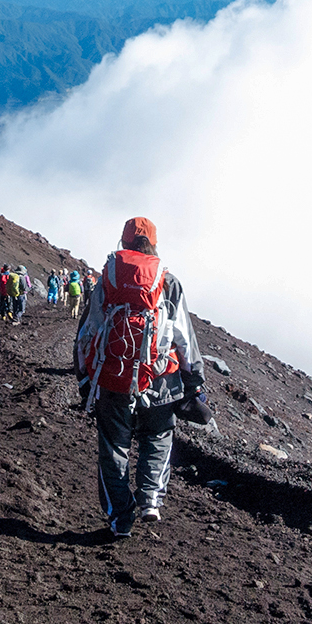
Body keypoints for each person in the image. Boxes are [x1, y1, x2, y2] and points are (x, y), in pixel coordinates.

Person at [75, 217, 210, 538]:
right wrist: (195, 383)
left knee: (113, 448)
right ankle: (150, 500)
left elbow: (86, 333)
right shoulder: (168, 281)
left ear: (123, 243)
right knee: (158, 438)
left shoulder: (106, 279)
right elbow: (184, 339)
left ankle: (120, 517)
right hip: (161, 377)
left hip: (113, 377)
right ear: (153, 243)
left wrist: (84, 380)